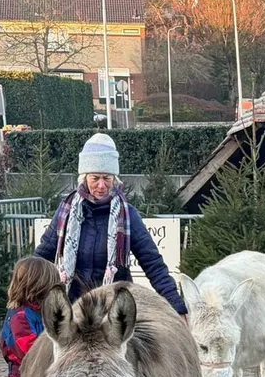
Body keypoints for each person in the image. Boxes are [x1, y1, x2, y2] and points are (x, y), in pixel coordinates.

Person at [35, 133, 189, 317]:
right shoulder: (66, 211)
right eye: (95, 178)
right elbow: (42, 257)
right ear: (84, 178)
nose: (101, 185)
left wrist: (177, 308)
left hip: (115, 311)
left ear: (115, 179)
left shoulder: (128, 215)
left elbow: (153, 264)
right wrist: (23, 297)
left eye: (107, 178)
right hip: (73, 308)